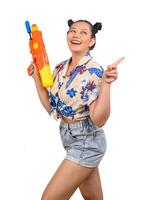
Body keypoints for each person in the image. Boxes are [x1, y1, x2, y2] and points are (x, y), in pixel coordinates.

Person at [28, 19, 124, 200]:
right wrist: (35, 78)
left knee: (48, 198)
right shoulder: (59, 68)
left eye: (83, 33)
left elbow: (99, 119)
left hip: (87, 142)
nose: (76, 35)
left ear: (92, 41)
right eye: (72, 31)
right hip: (68, 137)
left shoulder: (94, 72)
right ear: (67, 35)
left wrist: (106, 85)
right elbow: (52, 107)